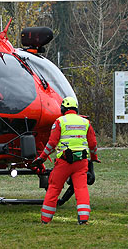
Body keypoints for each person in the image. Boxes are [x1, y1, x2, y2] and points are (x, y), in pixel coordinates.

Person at [31, 96, 100, 225]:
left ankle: (46, 219)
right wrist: (94, 158)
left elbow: (51, 143)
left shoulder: (59, 122)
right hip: (81, 161)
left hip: (64, 162)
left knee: (54, 187)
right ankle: (83, 219)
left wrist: (42, 158)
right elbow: (93, 144)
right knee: (81, 188)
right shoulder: (85, 122)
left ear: (63, 109)